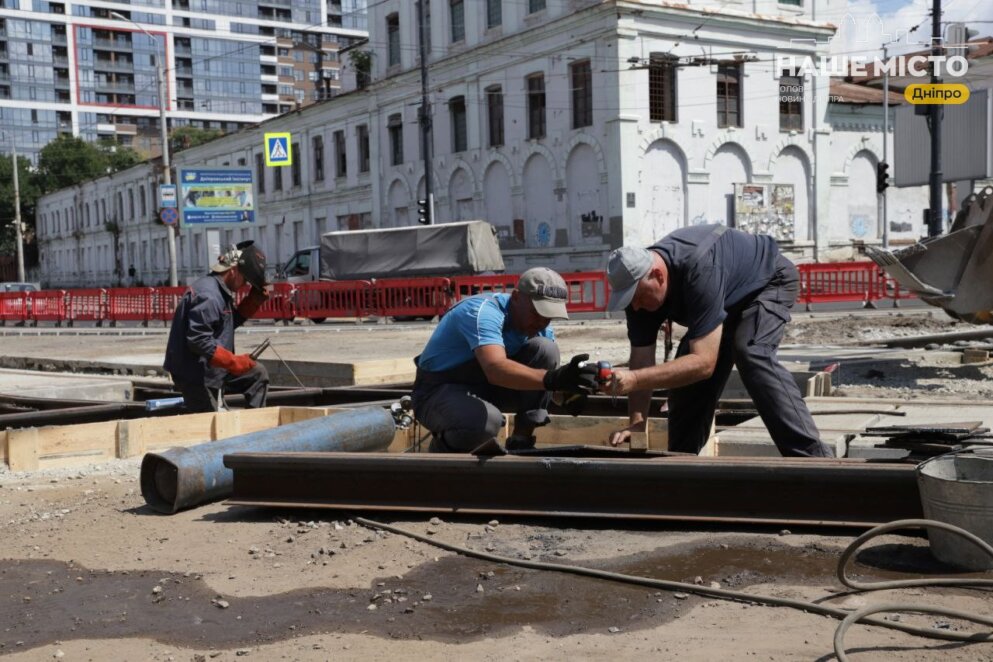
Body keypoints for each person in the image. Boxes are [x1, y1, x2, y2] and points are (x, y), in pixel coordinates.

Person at [604, 225, 833, 458]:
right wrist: (636, 423)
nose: (635, 306)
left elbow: (703, 363)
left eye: (639, 296)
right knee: (684, 378)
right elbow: (642, 362)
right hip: (723, 298)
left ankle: (813, 457)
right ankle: (681, 464)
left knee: (751, 352)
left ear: (658, 276)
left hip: (767, 282)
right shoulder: (637, 295)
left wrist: (632, 379)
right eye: (629, 299)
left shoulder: (699, 268)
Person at [412, 267, 598, 453]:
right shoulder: (481, 312)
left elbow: (544, 382)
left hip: (486, 387)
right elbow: (495, 369)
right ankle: (441, 453)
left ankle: (521, 442)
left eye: (548, 317)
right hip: (437, 392)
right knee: (484, 423)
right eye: (537, 313)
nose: (542, 322)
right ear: (516, 297)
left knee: (546, 349)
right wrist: (553, 379)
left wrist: (567, 393)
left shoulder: (539, 327)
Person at [164, 240, 271, 413]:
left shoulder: (221, 291)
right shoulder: (209, 295)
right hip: (195, 374)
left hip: (212, 367)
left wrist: (253, 301)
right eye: (245, 280)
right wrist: (233, 361)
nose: (245, 286)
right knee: (210, 422)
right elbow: (198, 340)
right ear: (234, 271)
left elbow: (224, 325)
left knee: (257, 374)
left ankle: (255, 426)